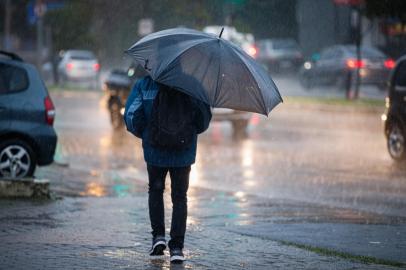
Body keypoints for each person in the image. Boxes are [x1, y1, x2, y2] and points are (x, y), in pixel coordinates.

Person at [124, 75, 211, 263]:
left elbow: (131, 116)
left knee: (155, 190)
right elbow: (203, 120)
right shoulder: (193, 85)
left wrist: (147, 135)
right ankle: (177, 248)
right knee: (180, 197)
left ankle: (158, 237)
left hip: (155, 151)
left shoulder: (145, 84)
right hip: (183, 152)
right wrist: (186, 133)